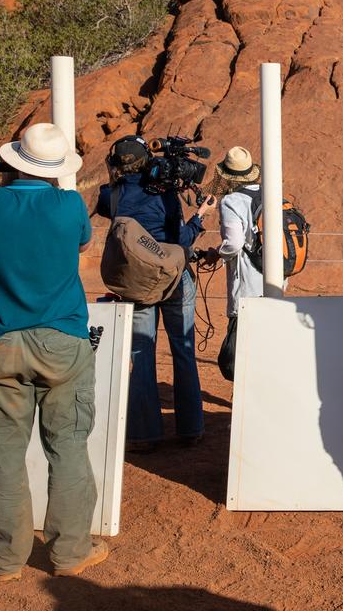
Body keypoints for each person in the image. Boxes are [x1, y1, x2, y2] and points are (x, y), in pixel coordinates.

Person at [0, 123, 107, 580]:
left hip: (2, 339)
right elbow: (83, 244)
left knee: (6, 449)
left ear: (14, 160)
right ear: (56, 168)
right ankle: (69, 552)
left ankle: (6, 559)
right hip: (62, 337)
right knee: (66, 446)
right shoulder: (69, 206)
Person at [96, 135, 214, 452]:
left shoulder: (116, 193)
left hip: (136, 281)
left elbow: (105, 202)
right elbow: (182, 242)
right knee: (183, 349)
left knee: (140, 354)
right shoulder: (163, 194)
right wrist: (200, 216)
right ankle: (190, 429)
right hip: (174, 278)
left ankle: (144, 434)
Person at [203, 147, 264, 380]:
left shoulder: (231, 201)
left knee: (235, 358)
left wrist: (217, 254)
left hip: (247, 284)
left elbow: (234, 243)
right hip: (275, 279)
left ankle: (246, 406)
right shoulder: (269, 194)